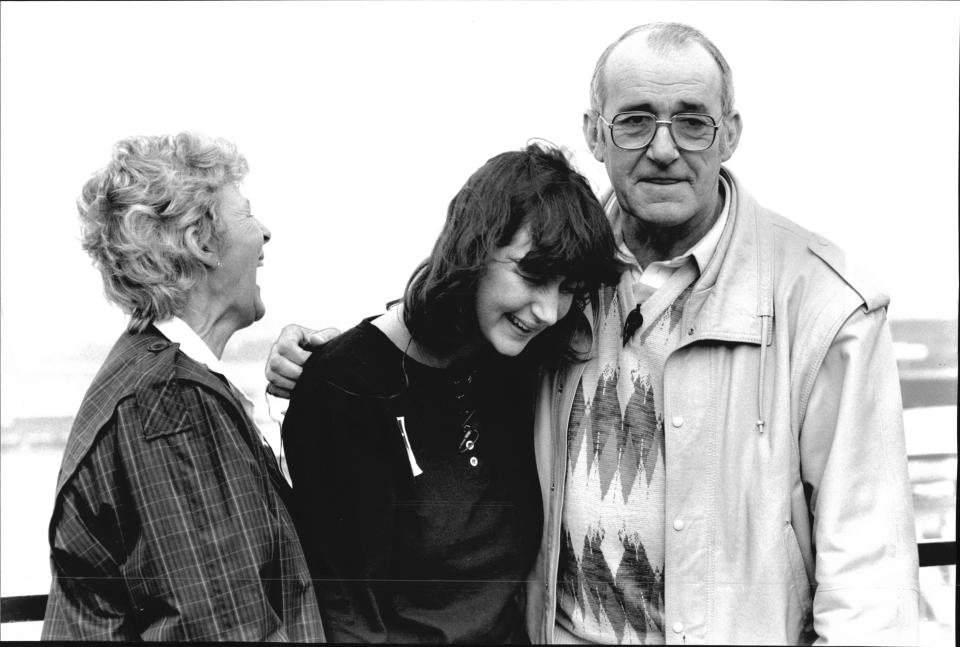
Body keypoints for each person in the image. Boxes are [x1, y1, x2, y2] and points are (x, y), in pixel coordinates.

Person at [266, 22, 919, 645]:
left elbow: (867, 567)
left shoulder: (826, 304)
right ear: (595, 133)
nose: (663, 148)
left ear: (730, 134)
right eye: (635, 120)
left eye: (692, 121)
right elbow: (470, 301)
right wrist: (339, 356)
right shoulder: (569, 276)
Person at [280, 143, 621, 643]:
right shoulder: (344, 390)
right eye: (532, 275)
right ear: (473, 249)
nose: (549, 310)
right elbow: (347, 616)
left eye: (567, 287)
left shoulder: (515, 363)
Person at [42, 133, 324, 641]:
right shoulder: (170, 404)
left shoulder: (161, 382)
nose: (265, 234)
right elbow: (222, 630)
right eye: (247, 215)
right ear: (202, 242)